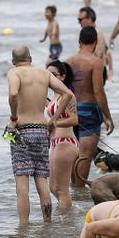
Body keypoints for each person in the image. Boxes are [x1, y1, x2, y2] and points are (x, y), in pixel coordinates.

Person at [6, 45, 74, 224]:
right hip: (41, 129)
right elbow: (67, 93)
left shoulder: (14, 73)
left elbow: (13, 93)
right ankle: (47, 223)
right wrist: (54, 120)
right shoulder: (44, 74)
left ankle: (24, 226)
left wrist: (14, 116)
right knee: (42, 181)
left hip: (22, 130)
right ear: (30, 58)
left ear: (14, 62)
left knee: (22, 184)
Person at [65, 27, 114, 187]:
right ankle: (79, 193)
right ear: (95, 42)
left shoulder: (68, 62)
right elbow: (98, 92)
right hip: (89, 111)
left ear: (79, 42)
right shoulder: (96, 62)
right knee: (85, 155)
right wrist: (108, 117)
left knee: (74, 153)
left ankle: (72, 191)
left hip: (70, 110)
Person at [45, 60, 78, 211]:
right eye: (47, 74)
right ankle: (65, 219)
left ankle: (66, 223)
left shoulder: (68, 95)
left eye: (54, 75)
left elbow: (74, 120)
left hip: (66, 142)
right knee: (53, 188)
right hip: (55, 143)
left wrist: (54, 123)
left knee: (61, 189)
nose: (49, 78)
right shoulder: (55, 96)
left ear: (62, 77)